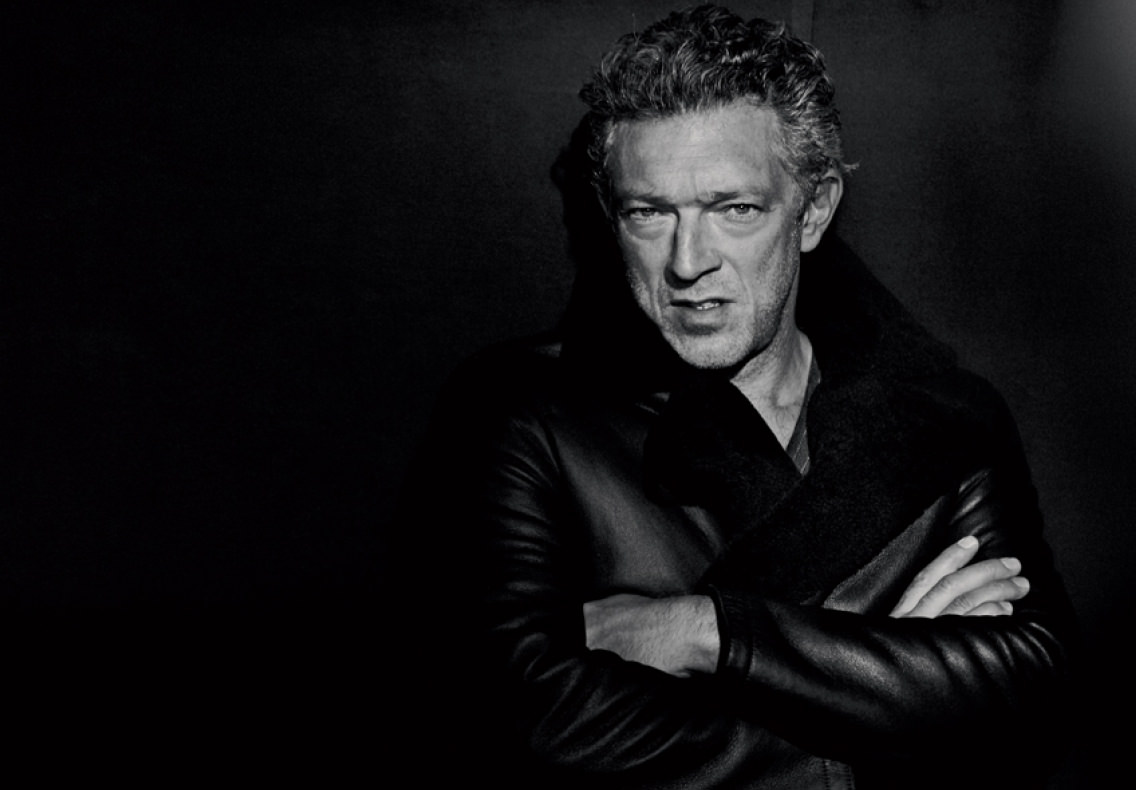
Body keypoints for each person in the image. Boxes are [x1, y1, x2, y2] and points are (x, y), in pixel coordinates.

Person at [393, 4, 1075, 787]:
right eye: (649, 213)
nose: (688, 263)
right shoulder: (521, 412)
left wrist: (706, 632)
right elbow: (517, 727)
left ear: (813, 210)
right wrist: (887, 689)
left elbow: (1037, 693)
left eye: (735, 209)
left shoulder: (940, 417)